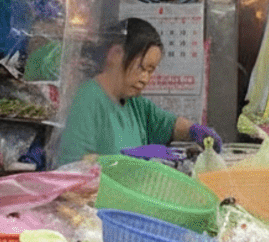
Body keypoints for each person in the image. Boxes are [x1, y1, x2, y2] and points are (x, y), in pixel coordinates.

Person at [56, 17, 221, 164]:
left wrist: (195, 130)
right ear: (116, 54)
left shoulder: (135, 103)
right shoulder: (88, 99)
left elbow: (168, 125)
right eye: (141, 67)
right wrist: (125, 161)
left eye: (150, 71)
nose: (145, 79)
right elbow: (72, 165)